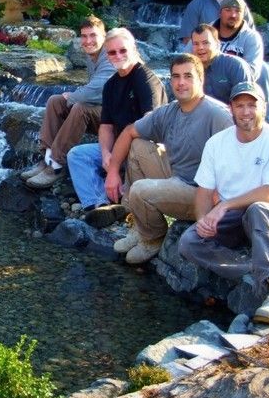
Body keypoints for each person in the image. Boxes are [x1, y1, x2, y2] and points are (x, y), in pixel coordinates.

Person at [179, 81, 269, 324]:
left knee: (258, 210)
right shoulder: (217, 143)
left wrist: (224, 205)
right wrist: (202, 219)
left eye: (252, 105)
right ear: (231, 108)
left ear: (263, 107)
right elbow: (203, 190)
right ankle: (250, 268)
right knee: (189, 241)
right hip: (231, 216)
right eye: (239, 105)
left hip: (267, 212)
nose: (245, 112)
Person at [104, 54, 233, 264]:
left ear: (201, 80)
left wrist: (219, 205)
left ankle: (153, 239)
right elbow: (128, 132)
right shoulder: (170, 111)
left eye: (188, 76)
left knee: (141, 190)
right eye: (176, 76)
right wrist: (112, 171)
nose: (181, 82)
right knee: (138, 146)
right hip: (177, 176)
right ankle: (139, 225)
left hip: (202, 193)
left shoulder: (217, 115)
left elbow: (235, 160)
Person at [67, 27, 167, 227]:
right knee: (77, 155)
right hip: (119, 151)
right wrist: (105, 154)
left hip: (144, 152)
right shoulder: (111, 85)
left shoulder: (145, 79)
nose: (118, 56)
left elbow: (148, 130)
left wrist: (113, 167)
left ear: (133, 48)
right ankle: (99, 205)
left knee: (135, 154)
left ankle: (128, 209)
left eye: (122, 50)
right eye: (112, 52)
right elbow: (105, 126)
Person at [21, 16, 116, 189]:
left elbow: (98, 89)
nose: (88, 41)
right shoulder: (92, 56)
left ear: (104, 36)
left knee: (80, 107)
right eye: (84, 36)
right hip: (105, 111)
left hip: (117, 123)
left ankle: (57, 165)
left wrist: (73, 97)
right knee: (55, 101)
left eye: (93, 35)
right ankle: (47, 158)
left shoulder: (110, 55)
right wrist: (72, 97)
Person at [214, 0, 269, 124]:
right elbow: (187, 59)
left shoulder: (251, 37)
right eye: (228, 10)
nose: (233, 15)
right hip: (209, 81)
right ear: (220, 12)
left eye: (238, 11)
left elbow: (252, 73)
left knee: (263, 69)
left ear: (244, 14)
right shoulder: (206, 32)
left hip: (238, 85)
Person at [190, 23, 255, 104]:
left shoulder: (236, 66)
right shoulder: (190, 69)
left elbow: (246, 103)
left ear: (217, 44)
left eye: (205, 43)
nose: (200, 47)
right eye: (196, 44)